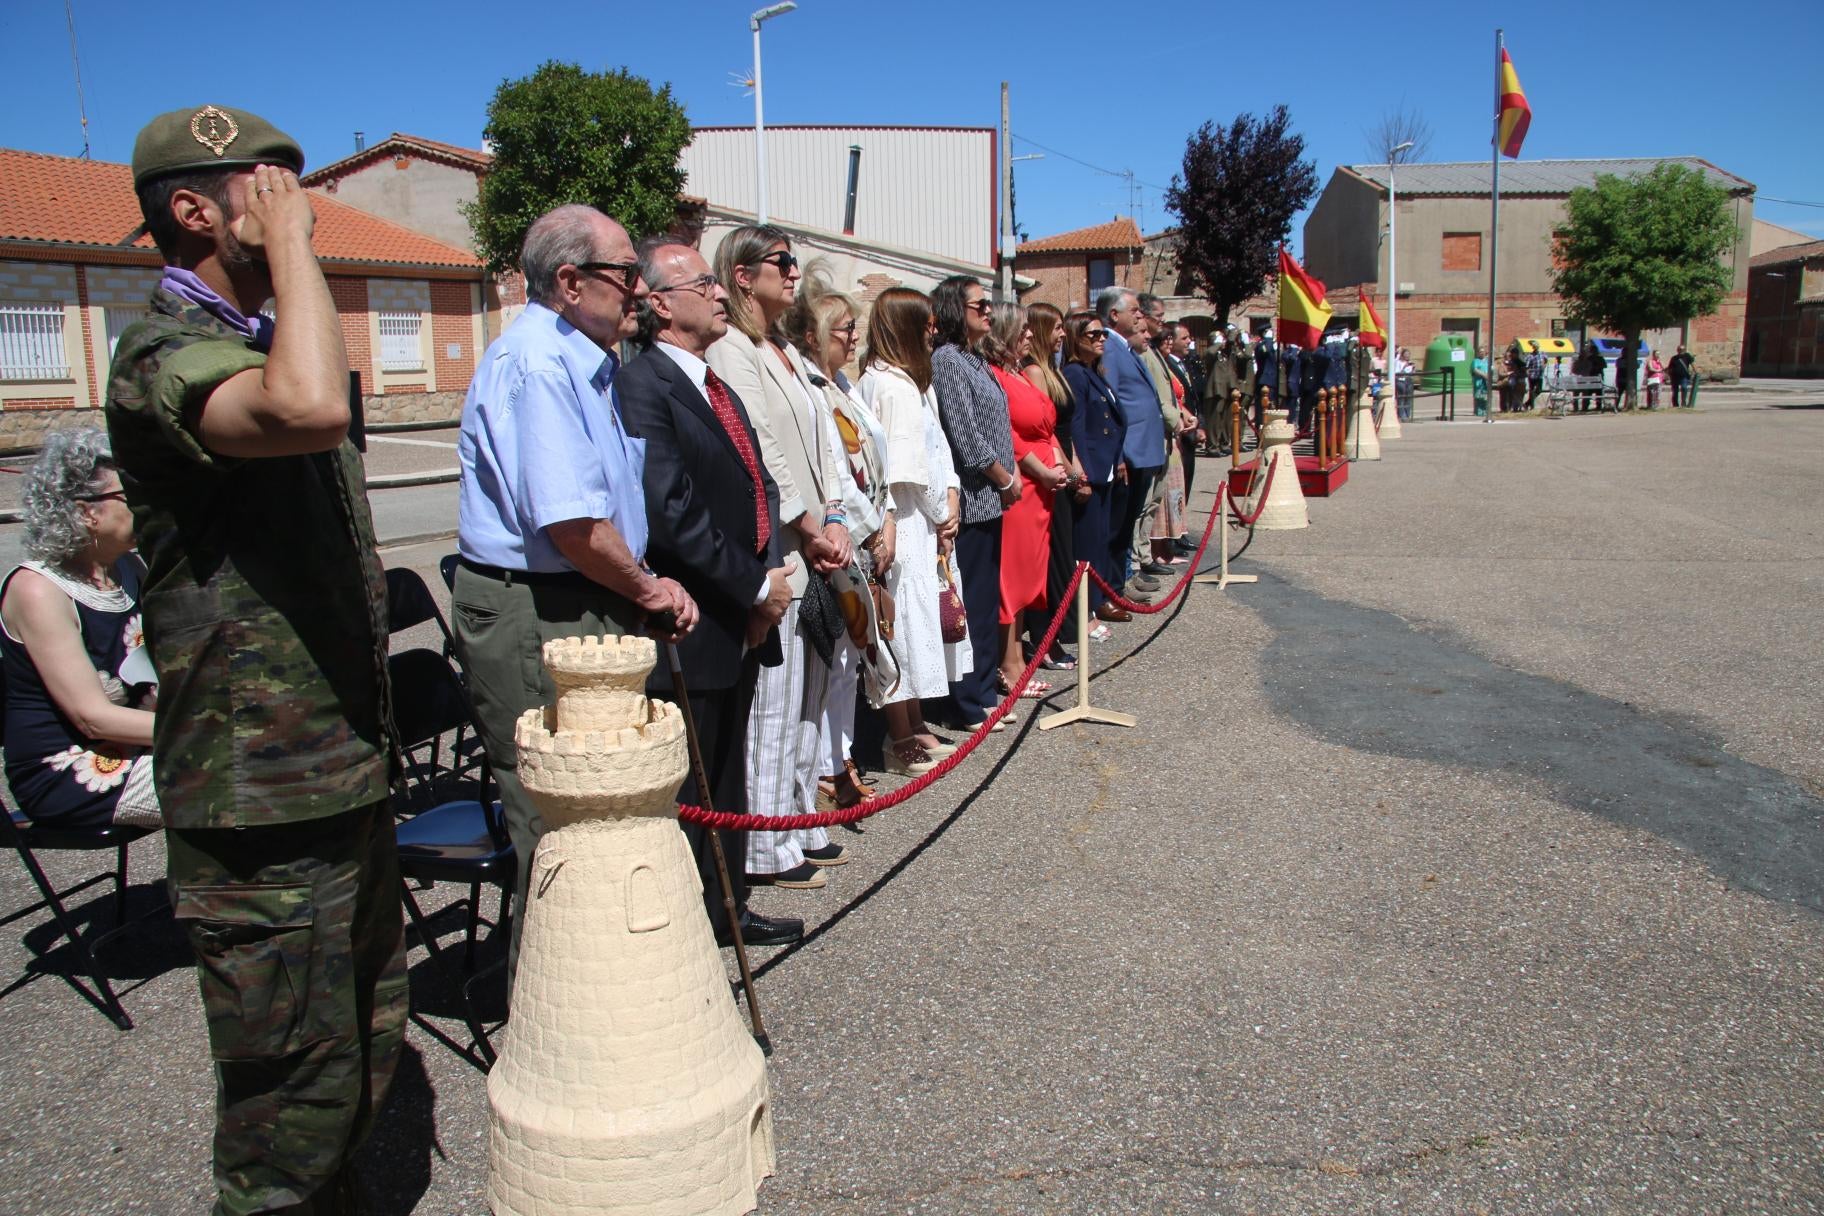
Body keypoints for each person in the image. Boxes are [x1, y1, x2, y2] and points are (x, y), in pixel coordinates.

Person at [104, 105, 405, 1211]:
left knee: (362, 1047)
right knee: (287, 1098)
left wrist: (282, 264)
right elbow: (313, 405)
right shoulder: (161, 356)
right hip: (258, 800)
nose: (300, 206)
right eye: (268, 187)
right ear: (193, 210)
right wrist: (289, 251)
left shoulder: (250, 339)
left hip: (334, 772)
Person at [454, 204, 698, 966]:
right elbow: (574, 527)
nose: (639, 289)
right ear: (569, 282)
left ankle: (605, 990)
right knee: (558, 816)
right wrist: (650, 588)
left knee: (601, 811)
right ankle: (554, 1013)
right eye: (626, 273)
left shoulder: (582, 358)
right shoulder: (538, 363)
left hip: (580, 596)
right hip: (542, 606)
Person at [615, 239, 801, 949]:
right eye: (705, 283)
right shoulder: (645, 385)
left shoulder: (712, 382)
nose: (722, 292)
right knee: (692, 779)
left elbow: (759, 481)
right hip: (695, 616)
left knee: (725, 770)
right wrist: (754, 586)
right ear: (661, 304)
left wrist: (768, 583)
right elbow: (669, 510)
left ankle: (729, 905)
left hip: (743, 610)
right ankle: (689, 924)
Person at [707, 226, 850, 890]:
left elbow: (824, 448)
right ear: (742, 274)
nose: (792, 274)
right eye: (780, 262)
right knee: (777, 699)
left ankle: (800, 819)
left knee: (810, 697)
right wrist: (811, 526)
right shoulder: (733, 350)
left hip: (818, 534)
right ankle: (767, 846)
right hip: (785, 542)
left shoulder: (783, 347)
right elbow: (761, 447)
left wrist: (840, 519)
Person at [1, 430, 159, 831]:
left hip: (138, 748)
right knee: (247, 782)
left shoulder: (130, 569)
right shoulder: (39, 590)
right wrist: (208, 732)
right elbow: (94, 719)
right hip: (72, 772)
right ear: (86, 511)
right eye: (130, 495)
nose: (147, 503)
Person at [781, 262, 895, 810]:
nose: (853, 338)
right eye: (842, 329)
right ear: (812, 336)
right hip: (842, 537)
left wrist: (887, 517)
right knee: (838, 654)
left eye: (855, 328)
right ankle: (830, 766)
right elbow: (832, 475)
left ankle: (840, 756)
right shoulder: (811, 387)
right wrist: (872, 529)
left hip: (865, 533)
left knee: (855, 656)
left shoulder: (844, 385)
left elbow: (873, 461)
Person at [858, 289, 966, 772]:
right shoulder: (893, 386)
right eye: (924, 322)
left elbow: (938, 449)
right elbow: (906, 469)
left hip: (924, 518)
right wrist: (942, 514)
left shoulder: (907, 380)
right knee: (899, 626)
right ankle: (898, 736)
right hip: (906, 518)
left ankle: (917, 721)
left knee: (917, 623)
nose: (933, 329)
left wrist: (952, 496)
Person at [929, 275, 1019, 729]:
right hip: (973, 497)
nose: (988, 311)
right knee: (970, 603)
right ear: (954, 311)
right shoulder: (948, 360)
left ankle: (982, 691)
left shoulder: (975, 360)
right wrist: (1004, 477)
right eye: (978, 305)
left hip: (991, 500)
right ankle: (966, 701)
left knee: (984, 603)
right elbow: (965, 435)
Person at [983, 303, 1066, 699]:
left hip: (1041, 493)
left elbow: (1046, 426)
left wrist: (1061, 465)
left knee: (1028, 577)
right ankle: (1008, 662)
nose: (1030, 335)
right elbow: (1008, 437)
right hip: (1023, 487)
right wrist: (1043, 470)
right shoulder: (996, 376)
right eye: (1022, 330)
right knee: (1010, 580)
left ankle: (1017, 653)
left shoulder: (1019, 373)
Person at [1020, 303, 1089, 669]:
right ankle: (1046, 638)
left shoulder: (1051, 369)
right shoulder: (1034, 371)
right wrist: (1068, 469)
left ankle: (1055, 634)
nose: (1063, 334)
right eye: (1058, 327)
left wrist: (1074, 468)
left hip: (1060, 467)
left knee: (1062, 558)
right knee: (1051, 561)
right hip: (1047, 473)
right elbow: (1041, 432)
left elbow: (1059, 432)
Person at [1095, 287, 1167, 599]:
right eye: (1134, 311)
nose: (1140, 316)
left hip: (1142, 450)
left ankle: (1122, 579)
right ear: (1114, 315)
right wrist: (1120, 455)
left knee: (1128, 524)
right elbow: (1111, 404)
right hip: (1130, 452)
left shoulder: (1125, 348)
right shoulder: (1110, 348)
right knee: (1120, 526)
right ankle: (1116, 585)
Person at [1060, 312, 1127, 633]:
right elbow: (1076, 427)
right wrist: (1080, 474)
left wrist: (1118, 460)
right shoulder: (1074, 374)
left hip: (1106, 467)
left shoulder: (1093, 372)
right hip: (1090, 470)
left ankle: (1097, 602)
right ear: (1076, 338)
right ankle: (1084, 614)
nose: (1101, 339)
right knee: (1086, 546)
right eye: (1094, 334)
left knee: (1100, 541)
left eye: (1104, 334)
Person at [1525, 343, 1546, 410]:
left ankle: (1527, 403)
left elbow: (1546, 360)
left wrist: (1544, 366)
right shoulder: (1530, 356)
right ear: (1533, 348)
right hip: (1532, 375)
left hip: (1540, 375)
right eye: (1535, 347)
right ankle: (1532, 406)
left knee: (1539, 390)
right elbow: (1527, 366)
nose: (1536, 348)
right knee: (1531, 390)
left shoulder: (1542, 353)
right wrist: (1528, 373)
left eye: (1537, 347)